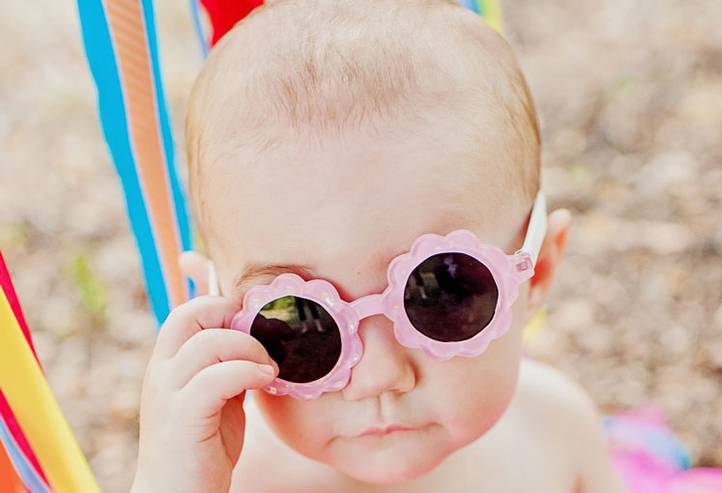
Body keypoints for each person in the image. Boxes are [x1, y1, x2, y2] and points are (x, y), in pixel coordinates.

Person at [131, 1, 627, 491]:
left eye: (439, 293)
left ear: (536, 269)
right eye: (299, 321)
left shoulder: (555, 434)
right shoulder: (232, 479)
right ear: (214, 311)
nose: (378, 377)